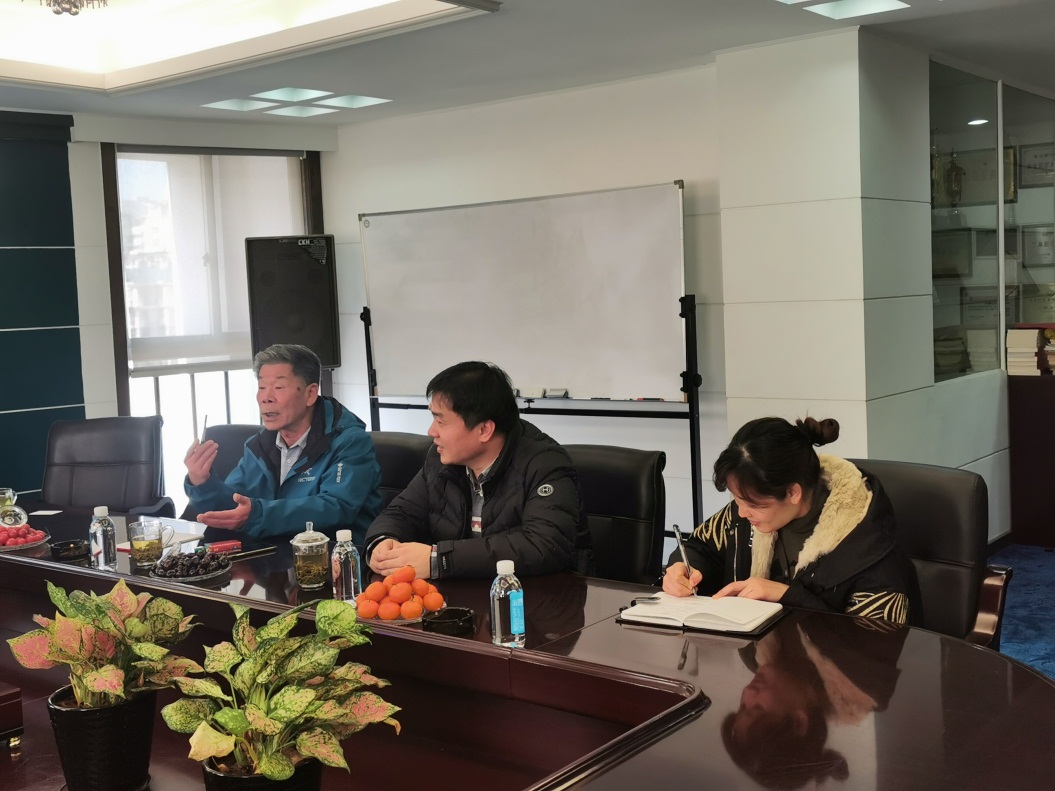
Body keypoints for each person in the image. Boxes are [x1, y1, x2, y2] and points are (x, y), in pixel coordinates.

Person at [663, 416, 917, 624]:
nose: (740, 513)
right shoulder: (747, 514)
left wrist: (787, 596)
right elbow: (701, 547)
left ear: (793, 492)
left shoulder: (868, 548)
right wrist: (683, 568)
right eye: (737, 500)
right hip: (749, 662)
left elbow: (876, 646)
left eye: (753, 504)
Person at [364, 361, 593, 580]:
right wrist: (383, 541)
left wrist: (439, 560)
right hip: (465, 593)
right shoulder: (441, 459)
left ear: (484, 430)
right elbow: (401, 513)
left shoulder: (545, 465)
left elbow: (542, 545)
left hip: (542, 597)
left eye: (441, 422)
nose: (431, 431)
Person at [183, 344, 383, 544]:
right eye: (262, 387)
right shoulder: (258, 446)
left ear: (310, 393)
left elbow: (336, 507)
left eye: (278, 388)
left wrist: (258, 514)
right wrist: (202, 483)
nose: (266, 398)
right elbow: (234, 506)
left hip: (332, 555)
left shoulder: (350, 442)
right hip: (270, 555)